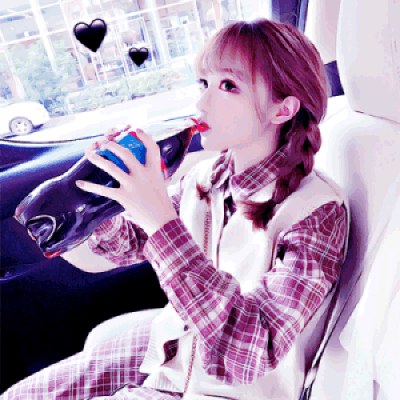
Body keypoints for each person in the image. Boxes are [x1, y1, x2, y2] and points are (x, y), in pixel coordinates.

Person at [1, 18, 349, 400]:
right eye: (203, 83)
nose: (202, 103)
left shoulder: (317, 214)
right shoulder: (206, 178)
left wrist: (161, 220)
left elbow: (248, 352)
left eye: (228, 86)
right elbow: (126, 246)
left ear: (282, 110)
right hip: (173, 357)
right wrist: (107, 195)